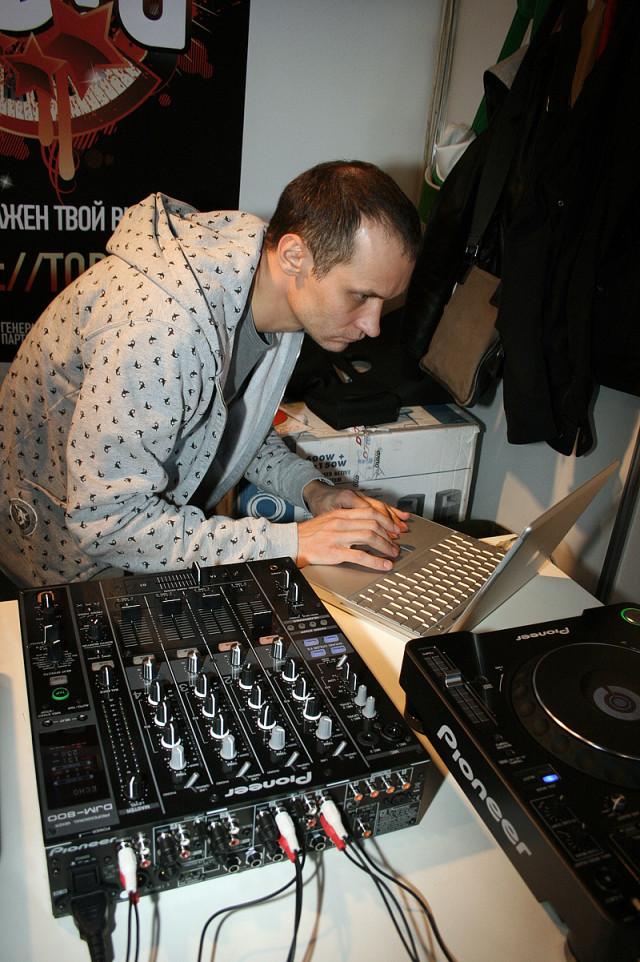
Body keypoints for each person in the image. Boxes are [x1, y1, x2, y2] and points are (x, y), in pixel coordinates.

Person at [0, 160, 421, 588]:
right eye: (361, 296)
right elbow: (107, 522)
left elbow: (228, 429)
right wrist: (292, 541)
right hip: (55, 560)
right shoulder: (164, 329)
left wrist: (313, 491)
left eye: (384, 301)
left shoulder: (274, 291)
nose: (374, 326)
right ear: (295, 256)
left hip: (132, 541)